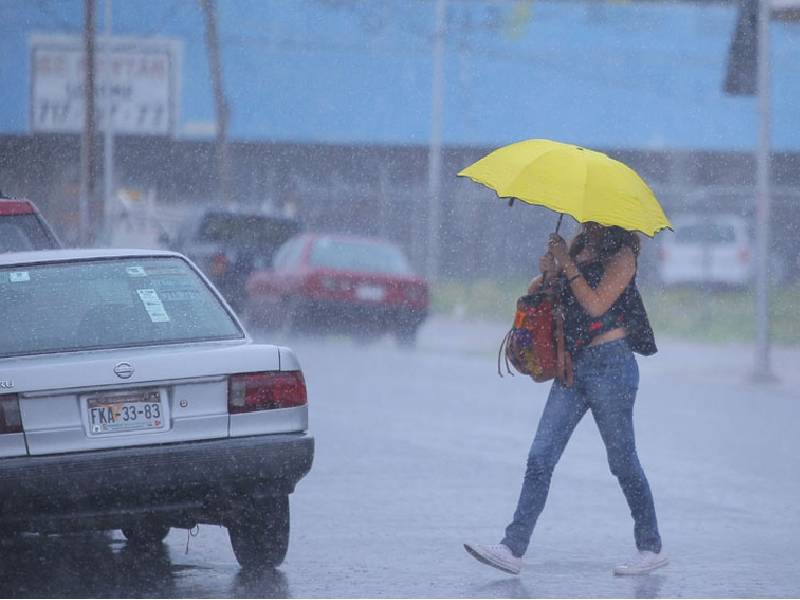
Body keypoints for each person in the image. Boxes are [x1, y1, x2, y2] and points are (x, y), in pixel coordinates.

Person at [464, 221, 667, 576]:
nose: (588, 221)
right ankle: (513, 547)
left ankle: (650, 546)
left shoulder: (623, 256)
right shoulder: (575, 249)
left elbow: (596, 305)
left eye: (597, 215)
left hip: (612, 365)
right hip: (572, 366)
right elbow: (540, 294)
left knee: (621, 461)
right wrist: (547, 272)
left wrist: (566, 265)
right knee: (541, 456)